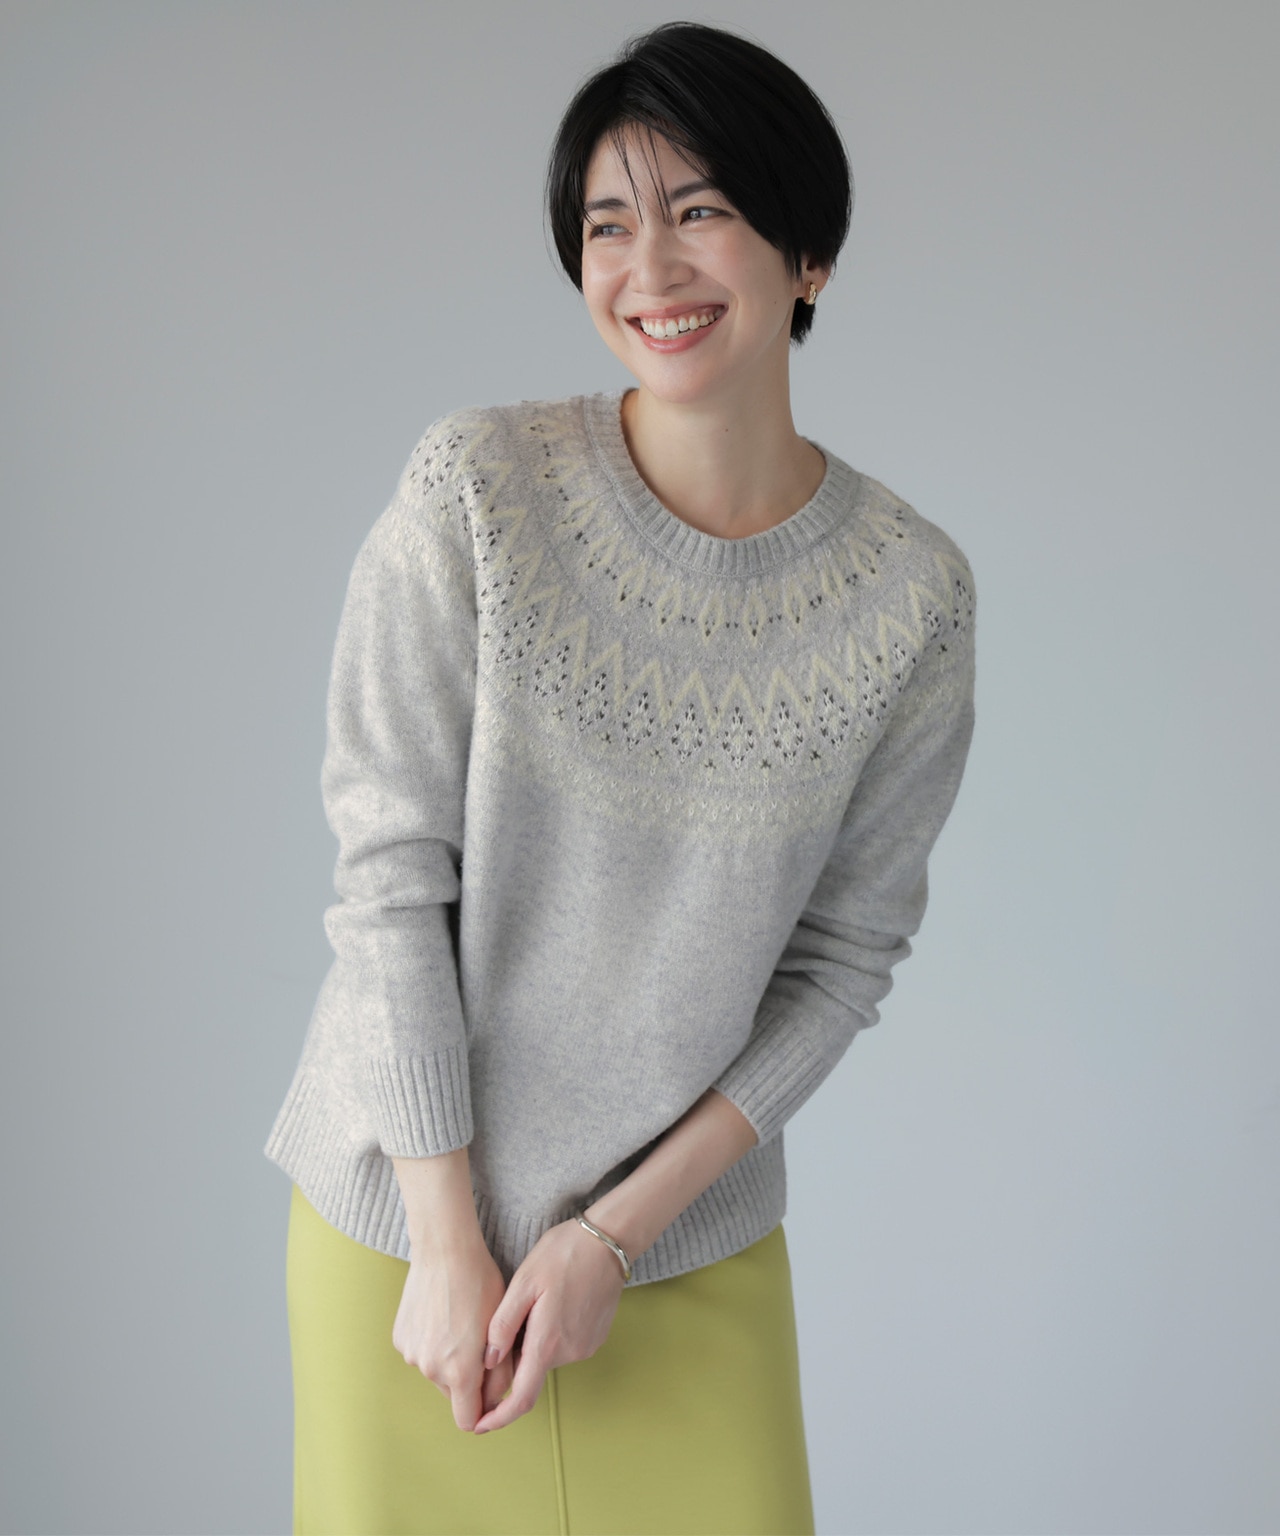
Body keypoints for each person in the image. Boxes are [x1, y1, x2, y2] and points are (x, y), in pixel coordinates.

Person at [266, 20, 976, 1536]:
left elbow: (841, 964)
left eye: (699, 208)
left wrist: (610, 1236)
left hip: (682, 1255)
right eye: (606, 224)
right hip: (409, 1241)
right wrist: (447, 1239)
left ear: (811, 255)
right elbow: (388, 882)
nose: (649, 266)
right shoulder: (477, 491)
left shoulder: (912, 596)